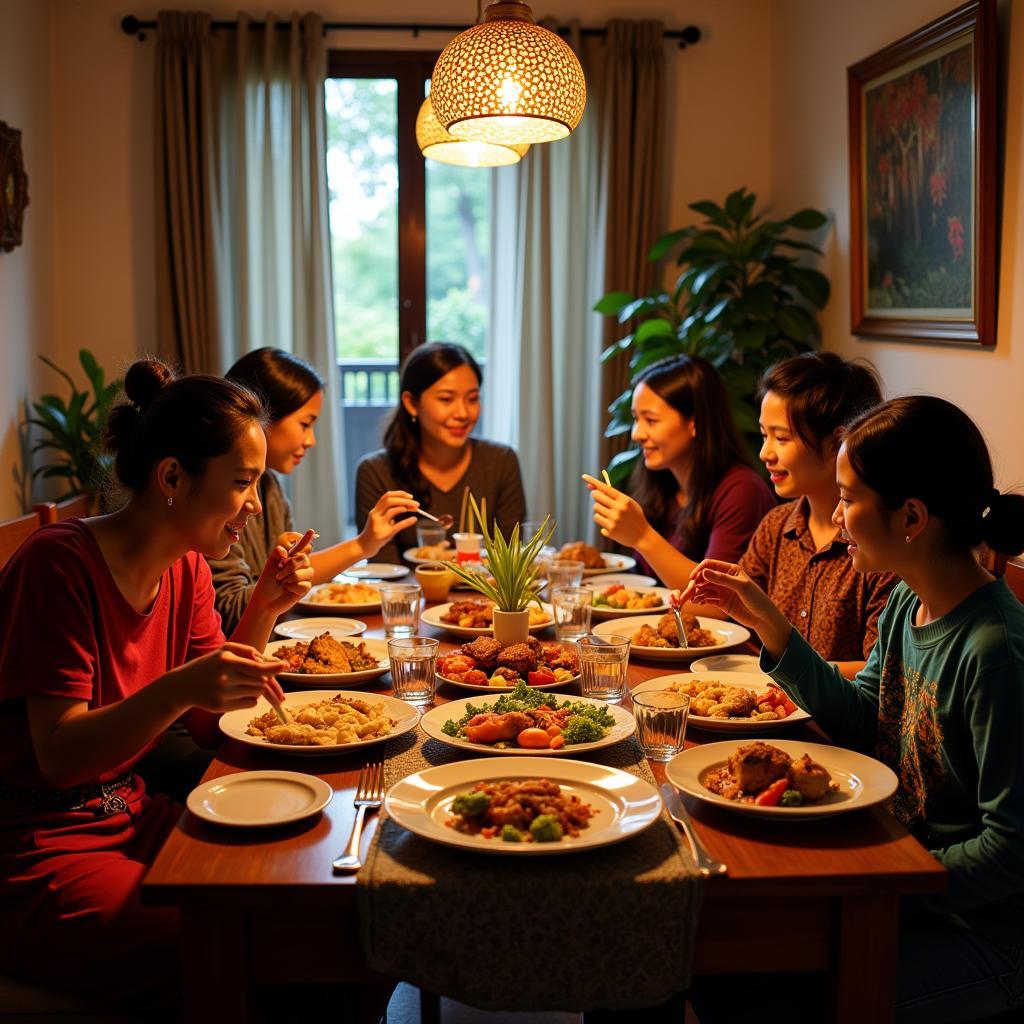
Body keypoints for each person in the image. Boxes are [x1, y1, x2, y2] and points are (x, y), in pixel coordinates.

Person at [683, 396, 1024, 1022]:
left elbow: (1010, 848)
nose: (836, 517)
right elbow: (865, 721)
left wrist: (879, 882)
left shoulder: (994, 652)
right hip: (897, 877)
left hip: (980, 931)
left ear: (911, 518)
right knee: (703, 963)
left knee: (761, 1002)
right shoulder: (906, 603)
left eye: (847, 498)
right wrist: (773, 626)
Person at [0, 359, 313, 1006]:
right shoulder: (57, 565)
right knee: (235, 948)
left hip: (134, 813)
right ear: (173, 476)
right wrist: (175, 688)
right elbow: (59, 757)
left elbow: (207, 723)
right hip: (39, 848)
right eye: (242, 483)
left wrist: (262, 610)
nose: (255, 505)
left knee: (299, 902)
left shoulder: (187, 570)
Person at [209, 347, 420, 633]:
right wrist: (361, 545)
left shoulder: (270, 488)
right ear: (262, 417)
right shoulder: (218, 497)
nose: (311, 441)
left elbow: (288, 583)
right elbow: (231, 611)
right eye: (305, 424)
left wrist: (364, 544)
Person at [739, 352, 897, 677]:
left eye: (781, 438)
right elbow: (736, 609)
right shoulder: (776, 525)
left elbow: (879, 673)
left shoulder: (878, 547)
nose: (765, 453)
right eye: (764, 435)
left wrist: (784, 673)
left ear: (839, 441)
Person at [584, 354, 774, 584]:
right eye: (636, 419)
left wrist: (642, 535)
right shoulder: (660, 484)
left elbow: (720, 600)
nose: (637, 434)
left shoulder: (742, 491)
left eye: (651, 420)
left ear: (694, 423)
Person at [355, 342, 526, 564]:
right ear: (411, 403)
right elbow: (385, 571)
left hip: (485, 598)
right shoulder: (376, 472)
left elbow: (510, 558)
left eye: (472, 399)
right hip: (410, 598)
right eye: (446, 399)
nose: (463, 413)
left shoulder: (501, 461)